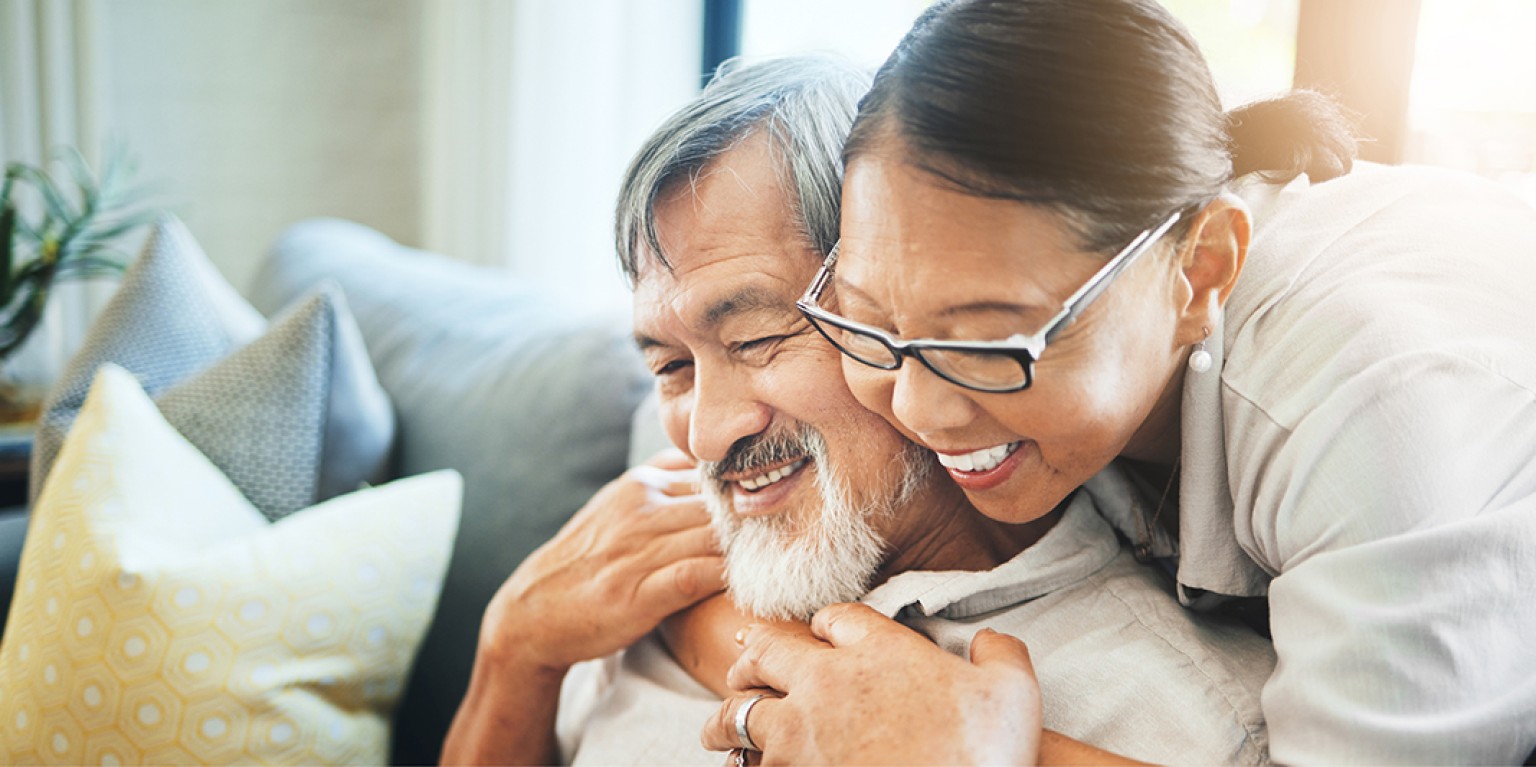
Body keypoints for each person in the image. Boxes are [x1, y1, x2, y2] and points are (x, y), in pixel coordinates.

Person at [697, 1, 1536, 764]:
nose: (918, 408)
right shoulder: (1108, 312)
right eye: (869, 321)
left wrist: (964, 749)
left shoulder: (1373, 416)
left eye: (991, 341)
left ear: (1202, 273)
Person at [446, 55, 1278, 766]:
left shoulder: (1183, 718)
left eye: (758, 338)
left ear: (893, 307)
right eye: (671, 366)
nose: (706, 431)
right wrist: (514, 650)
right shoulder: (645, 569)